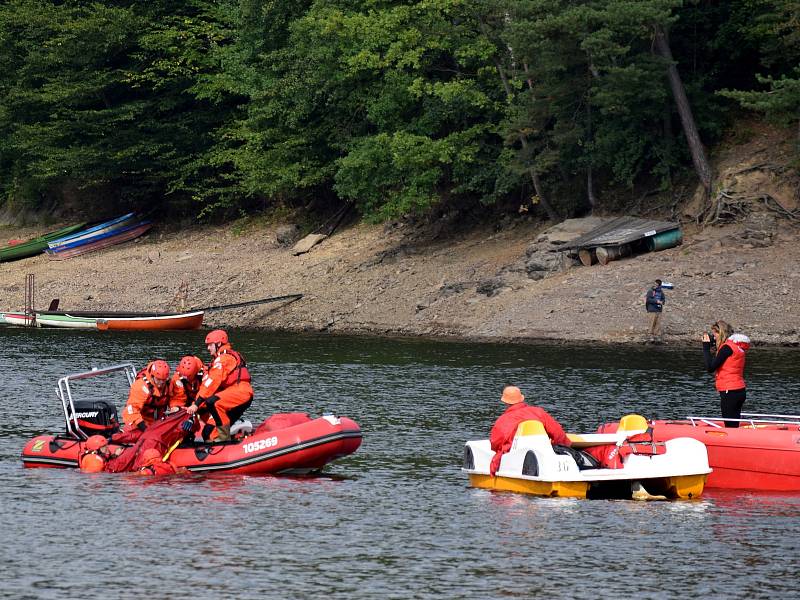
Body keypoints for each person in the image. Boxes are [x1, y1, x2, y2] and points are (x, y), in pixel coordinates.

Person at [186, 330, 253, 442]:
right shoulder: (220, 360)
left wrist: (196, 404)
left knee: (213, 402)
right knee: (208, 432)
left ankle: (224, 440)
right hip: (232, 396)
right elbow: (208, 387)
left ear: (218, 344)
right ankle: (225, 440)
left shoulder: (224, 359)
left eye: (210, 345)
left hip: (241, 393)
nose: (208, 348)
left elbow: (212, 383)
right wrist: (195, 407)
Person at [489, 385, 571, 476]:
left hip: (515, 460)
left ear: (505, 402)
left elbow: (495, 444)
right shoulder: (538, 412)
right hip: (544, 455)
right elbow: (559, 435)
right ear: (521, 398)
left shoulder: (503, 420)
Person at [702, 320, 750, 427]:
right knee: (734, 424)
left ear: (721, 333)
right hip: (740, 390)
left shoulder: (726, 348)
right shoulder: (736, 347)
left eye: (715, 334)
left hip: (730, 391)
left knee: (729, 425)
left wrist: (706, 348)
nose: (714, 337)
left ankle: (732, 442)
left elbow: (710, 367)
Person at [122, 360, 171, 433]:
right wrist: (144, 428)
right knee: (132, 435)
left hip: (158, 421)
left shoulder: (168, 384)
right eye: (158, 380)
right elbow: (133, 410)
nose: (161, 383)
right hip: (140, 421)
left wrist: (174, 407)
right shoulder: (140, 387)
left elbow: (176, 399)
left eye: (163, 380)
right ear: (152, 376)